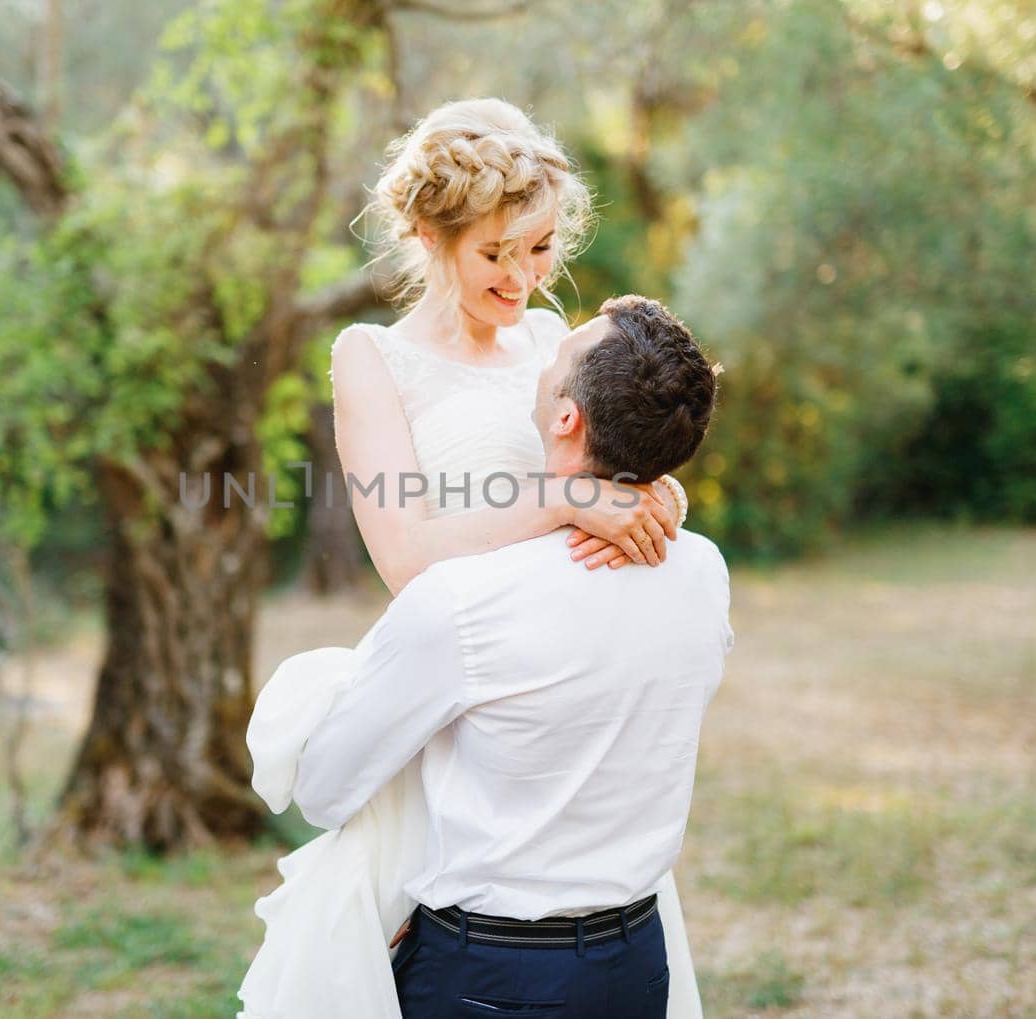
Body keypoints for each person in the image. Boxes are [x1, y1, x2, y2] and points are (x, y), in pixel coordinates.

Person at [238, 99, 699, 1019]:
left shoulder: (547, 341)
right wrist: (565, 500)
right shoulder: (372, 357)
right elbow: (407, 557)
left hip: (554, 708)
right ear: (428, 233)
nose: (524, 275)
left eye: (537, 248)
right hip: (443, 694)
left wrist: (660, 495)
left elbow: (611, 461)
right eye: (497, 252)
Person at [295, 295, 730, 1017]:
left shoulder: (462, 602)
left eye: (558, 355)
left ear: (566, 417)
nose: (542, 347)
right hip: (639, 967)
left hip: (491, 978)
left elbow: (323, 788)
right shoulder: (704, 574)